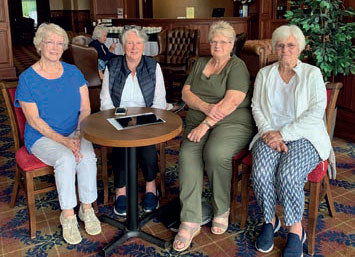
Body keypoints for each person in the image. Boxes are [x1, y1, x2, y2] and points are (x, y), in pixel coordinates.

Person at [15, 23, 101, 244]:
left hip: (75, 132)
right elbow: (33, 120)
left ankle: (86, 208)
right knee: (65, 158)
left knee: (88, 157)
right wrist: (64, 141)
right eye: (49, 42)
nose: (55, 47)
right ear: (39, 45)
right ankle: (68, 215)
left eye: (60, 43)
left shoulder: (73, 72)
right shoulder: (27, 78)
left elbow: (85, 108)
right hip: (42, 137)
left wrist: (78, 135)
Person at [250, 25, 331, 257]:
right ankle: (270, 220)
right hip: (269, 134)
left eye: (291, 45)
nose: (285, 49)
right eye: (280, 45)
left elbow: (316, 112)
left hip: (305, 136)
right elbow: (257, 107)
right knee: (262, 170)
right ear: (275, 48)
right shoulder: (265, 74)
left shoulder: (312, 73)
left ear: (300, 48)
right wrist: (268, 132)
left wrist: (283, 134)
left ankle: (296, 230)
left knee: (289, 174)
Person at [173, 21, 255, 251]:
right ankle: (190, 219)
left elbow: (231, 102)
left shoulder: (237, 66)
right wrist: (205, 107)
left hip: (232, 121)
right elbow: (186, 93)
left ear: (232, 44)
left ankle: (221, 208)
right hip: (200, 118)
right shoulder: (199, 63)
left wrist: (206, 123)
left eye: (223, 41)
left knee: (216, 153)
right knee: (187, 156)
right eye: (214, 41)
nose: (218, 45)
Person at [100, 28, 168, 216]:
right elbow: (105, 101)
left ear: (144, 46)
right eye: (130, 43)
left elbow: (159, 101)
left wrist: (150, 120)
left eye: (138, 43)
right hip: (118, 117)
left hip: (147, 118)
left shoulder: (153, 66)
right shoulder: (112, 66)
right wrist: (116, 119)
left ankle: (150, 187)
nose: (134, 47)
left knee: (146, 144)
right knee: (121, 145)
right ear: (123, 45)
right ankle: (120, 190)